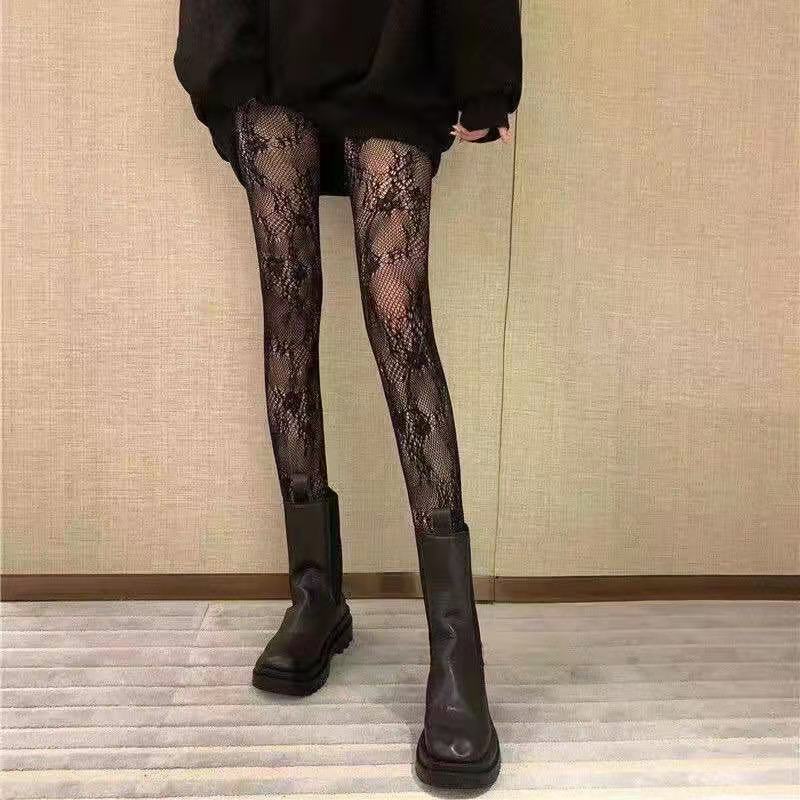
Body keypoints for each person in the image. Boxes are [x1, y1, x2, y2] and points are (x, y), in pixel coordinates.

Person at [173, 0, 522, 789]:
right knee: (288, 312)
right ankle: (316, 595)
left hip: (396, 43)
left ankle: (456, 650)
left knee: (400, 322)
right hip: (269, 47)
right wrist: (217, 63)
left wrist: (485, 74)